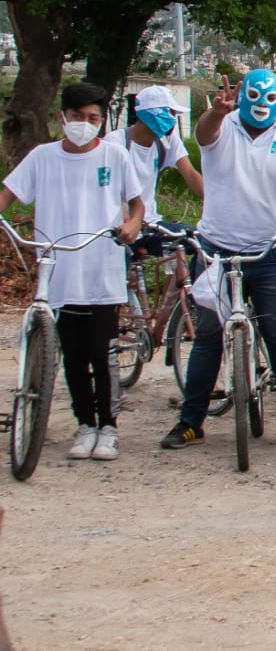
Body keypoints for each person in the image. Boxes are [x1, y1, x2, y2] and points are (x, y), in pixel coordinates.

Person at [162, 69, 276, 454]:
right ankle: (190, 421)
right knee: (209, 337)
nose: (261, 104)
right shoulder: (222, 126)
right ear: (240, 96)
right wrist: (215, 112)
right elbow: (204, 135)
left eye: (269, 97)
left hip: (269, 251)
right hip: (216, 251)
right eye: (254, 96)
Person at [0, 82, 144, 460]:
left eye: (93, 118)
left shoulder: (115, 157)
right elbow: (8, 194)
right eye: (77, 117)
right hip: (58, 272)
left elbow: (137, 205)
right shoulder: (42, 157)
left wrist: (132, 226)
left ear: (102, 120)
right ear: (62, 117)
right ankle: (85, 425)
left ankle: (108, 427)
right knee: (74, 356)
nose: (84, 124)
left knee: (102, 353)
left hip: (101, 270)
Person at [116, 86, 203, 344]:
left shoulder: (167, 142)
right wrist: (128, 224)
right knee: (112, 268)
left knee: (199, 243)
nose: (172, 120)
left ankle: (194, 305)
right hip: (121, 225)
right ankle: (108, 322)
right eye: (168, 113)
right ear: (147, 114)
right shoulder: (116, 144)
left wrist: (218, 205)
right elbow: (113, 194)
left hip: (151, 222)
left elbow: (190, 176)